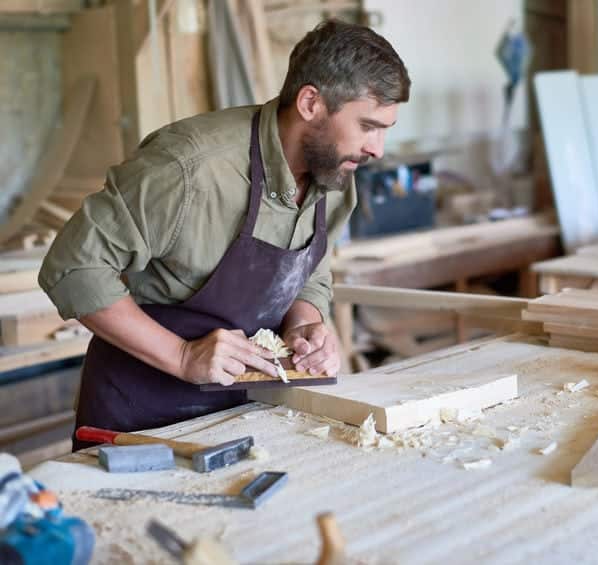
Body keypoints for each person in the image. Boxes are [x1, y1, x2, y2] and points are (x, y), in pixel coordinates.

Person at [38, 20, 410, 448]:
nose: (377, 149)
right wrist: (182, 357)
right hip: (143, 423)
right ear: (311, 102)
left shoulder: (334, 174)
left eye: (385, 129)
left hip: (253, 415)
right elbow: (73, 268)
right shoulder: (189, 166)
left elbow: (310, 276)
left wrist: (306, 327)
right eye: (368, 126)